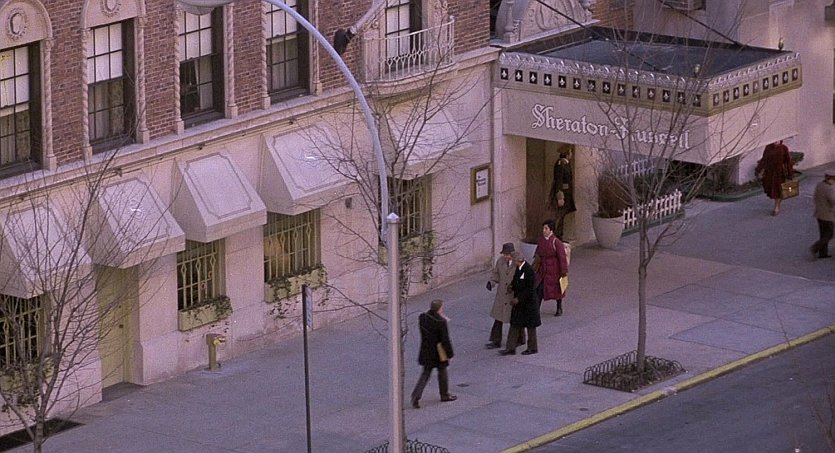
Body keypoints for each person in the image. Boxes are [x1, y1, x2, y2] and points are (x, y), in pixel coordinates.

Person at [410, 299, 457, 409]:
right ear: (439, 308)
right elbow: (445, 340)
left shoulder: (423, 318)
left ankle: (416, 396)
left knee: (425, 374)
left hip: (426, 350)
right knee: (442, 372)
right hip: (438, 352)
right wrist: (450, 354)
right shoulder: (441, 322)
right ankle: (444, 394)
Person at [500, 251, 541, 356]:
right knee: (514, 324)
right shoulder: (518, 269)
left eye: (513, 261)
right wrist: (512, 286)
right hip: (520, 305)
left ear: (518, 260)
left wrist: (518, 298)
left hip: (528, 304)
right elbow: (516, 280)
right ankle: (510, 348)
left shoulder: (528, 270)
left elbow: (529, 289)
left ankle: (532, 347)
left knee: (531, 327)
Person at [485, 243, 525, 349]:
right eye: (504, 254)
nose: (505, 256)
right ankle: (496, 340)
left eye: (507, 254)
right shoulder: (500, 262)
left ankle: (520, 339)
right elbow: (496, 274)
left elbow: (523, 277)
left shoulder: (519, 262)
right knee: (498, 317)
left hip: (513, 294)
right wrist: (491, 282)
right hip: (502, 294)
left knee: (515, 318)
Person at [534, 220, 569, 316]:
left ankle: (559, 307)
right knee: (539, 289)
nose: (544, 230)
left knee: (557, 290)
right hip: (543, 270)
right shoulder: (541, 240)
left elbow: (562, 257)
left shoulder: (556, 242)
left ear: (551, 230)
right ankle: (536, 310)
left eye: (546, 228)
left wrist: (563, 271)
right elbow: (537, 252)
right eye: (543, 228)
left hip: (554, 271)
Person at [755, 140, 793, 216]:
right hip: (769, 173)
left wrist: (790, 173)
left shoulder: (784, 148)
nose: (776, 141)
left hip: (779, 173)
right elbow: (764, 159)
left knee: (778, 190)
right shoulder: (768, 147)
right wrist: (758, 170)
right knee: (771, 189)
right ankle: (777, 204)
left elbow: (788, 161)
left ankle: (777, 207)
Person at [549, 150, 577, 238]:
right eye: (570, 152)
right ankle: (556, 236)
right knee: (559, 216)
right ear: (567, 154)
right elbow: (559, 181)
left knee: (562, 216)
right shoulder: (560, 164)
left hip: (567, 194)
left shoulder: (565, 163)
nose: (571, 154)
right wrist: (560, 197)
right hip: (563, 194)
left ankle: (559, 235)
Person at [810, 173, 835, 259]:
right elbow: (832, 201)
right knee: (829, 234)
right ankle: (815, 247)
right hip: (827, 215)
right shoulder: (828, 188)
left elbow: (815, 197)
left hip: (819, 213)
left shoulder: (819, 185)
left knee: (823, 233)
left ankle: (823, 253)